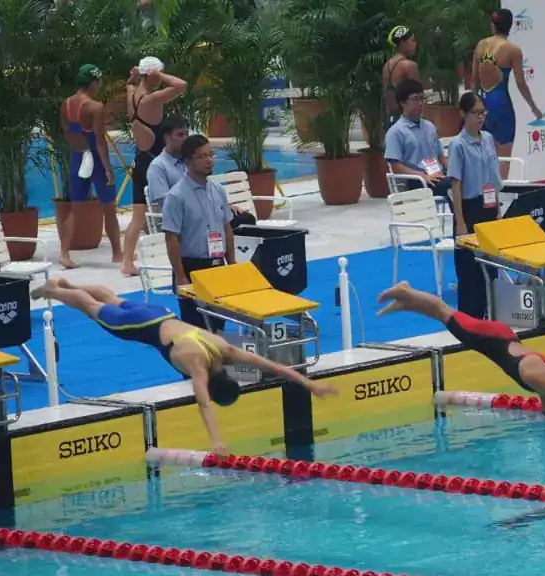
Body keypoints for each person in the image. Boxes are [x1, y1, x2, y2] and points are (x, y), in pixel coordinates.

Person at [31, 277, 338, 456]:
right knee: (91, 307)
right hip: (142, 327)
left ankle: (67, 284)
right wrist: (216, 440)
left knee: (111, 297)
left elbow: (275, 366)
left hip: (161, 314)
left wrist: (311, 384)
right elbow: (203, 404)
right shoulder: (199, 367)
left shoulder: (226, 350)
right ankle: (55, 290)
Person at [378, 282, 545, 457]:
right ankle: (407, 291)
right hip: (490, 339)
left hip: (503, 336)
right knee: (444, 312)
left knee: (446, 317)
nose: (541, 406)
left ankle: (407, 303)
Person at [122, 58, 188, 277]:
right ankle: (176, 255)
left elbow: (130, 83)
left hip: (140, 161)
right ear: (151, 74)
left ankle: (126, 262)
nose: (160, 79)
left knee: (138, 216)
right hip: (157, 166)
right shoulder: (151, 100)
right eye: (159, 74)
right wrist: (159, 75)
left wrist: (135, 77)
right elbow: (181, 85)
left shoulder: (132, 94)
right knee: (171, 213)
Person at [162, 134, 235, 330]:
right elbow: (171, 239)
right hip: (192, 267)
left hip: (217, 264)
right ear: (188, 161)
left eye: (211, 154)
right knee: (196, 329)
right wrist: (180, 276)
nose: (209, 160)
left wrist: (232, 265)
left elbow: (227, 228)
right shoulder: (176, 196)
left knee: (218, 326)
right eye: (202, 157)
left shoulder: (218, 189)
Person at [59, 64, 123, 270]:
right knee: (109, 207)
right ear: (94, 83)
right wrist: (107, 168)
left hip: (78, 156)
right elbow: (100, 141)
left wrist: (80, 150)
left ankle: (64, 253)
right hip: (95, 158)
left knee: (75, 208)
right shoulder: (95, 107)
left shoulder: (66, 104)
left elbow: (67, 134)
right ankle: (117, 254)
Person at [448, 92, 503, 319]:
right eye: (475, 113)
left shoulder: (488, 139)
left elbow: (493, 175)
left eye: (483, 113)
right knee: (470, 271)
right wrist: (461, 222)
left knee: (491, 266)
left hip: (488, 206)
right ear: (463, 114)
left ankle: (492, 313)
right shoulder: (457, 145)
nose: (480, 117)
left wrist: (498, 207)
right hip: (468, 209)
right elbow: (456, 185)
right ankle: (470, 320)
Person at [471, 9, 542, 176]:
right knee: (504, 160)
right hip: (501, 105)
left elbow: (473, 79)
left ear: (493, 24)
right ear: (510, 26)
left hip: (482, 103)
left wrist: (473, 106)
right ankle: (500, 197)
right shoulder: (513, 50)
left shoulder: (480, 45)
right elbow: (520, 83)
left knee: (484, 157)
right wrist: (533, 107)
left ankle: (485, 197)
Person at [385, 79, 452, 207]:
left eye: (422, 98)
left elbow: (440, 156)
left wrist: (455, 170)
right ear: (403, 102)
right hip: (414, 181)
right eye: (415, 99)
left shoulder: (430, 127)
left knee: (466, 181)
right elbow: (396, 166)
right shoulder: (396, 132)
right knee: (455, 187)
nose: (420, 103)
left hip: (436, 177)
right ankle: (461, 223)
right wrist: (422, 176)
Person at [145, 115, 190, 211]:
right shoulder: (158, 166)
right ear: (166, 138)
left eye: (187, 134)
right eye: (180, 135)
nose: (185, 138)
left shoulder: (189, 162)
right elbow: (164, 203)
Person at [383, 26, 420, 132]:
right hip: (407, 121)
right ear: (403, 43)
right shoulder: (409, 65)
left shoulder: (387, 66)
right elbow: (418, 97)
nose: (415, 43)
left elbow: (387, 96)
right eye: (412, 40)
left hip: (391, 119)